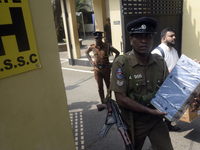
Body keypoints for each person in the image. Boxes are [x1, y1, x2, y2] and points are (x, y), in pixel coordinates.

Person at [109, 17, 200, 150]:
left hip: (156, 122)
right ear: (130, 40)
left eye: (148, 36)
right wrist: (151, 111)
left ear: (153, 39)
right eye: (139, 37)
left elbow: (173, 89)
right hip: (134, 123)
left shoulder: (159, 61)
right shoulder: (121, 63)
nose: (144, 40)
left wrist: (190, 97)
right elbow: (121, 99)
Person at [151, 27, 181, 131]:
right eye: (171, 36)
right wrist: (170, 70)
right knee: (160, 108)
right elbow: (154, 73)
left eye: (174, 35)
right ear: (164, 38)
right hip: (162, 86)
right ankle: (157, 129)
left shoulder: (174, 51)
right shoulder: (157, 52)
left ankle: (169, 125)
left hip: (172, 84)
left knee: (171, 107)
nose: (174, 37)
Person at [85, 31, 119, 103]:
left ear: (102, 38)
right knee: (100, 87)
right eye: (97, 38)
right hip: (97, 70)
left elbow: (117, 52)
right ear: (94, 39)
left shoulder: (107, 46)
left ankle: (109, 100)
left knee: (108, 86)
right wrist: (91, 61)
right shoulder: (92, 47)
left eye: (100, 38)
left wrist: (113, 63)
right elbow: (86, 52)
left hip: (106, 69)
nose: (99, 40)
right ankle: (102, 101)